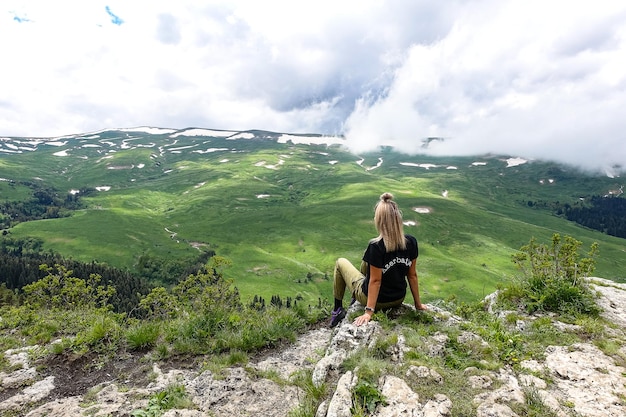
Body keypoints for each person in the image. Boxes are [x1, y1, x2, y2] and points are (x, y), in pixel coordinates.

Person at [330, 192, 427, 328]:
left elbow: (376, 281)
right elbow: (412, 275)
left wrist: (368, 312)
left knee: (340, 262)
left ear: (380, 221)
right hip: (398, 298)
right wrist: (418, 305)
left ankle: (337, 310)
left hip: (378, 302)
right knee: (368, 256)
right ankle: (355, 297)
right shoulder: (411, 242)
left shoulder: (377, 246)